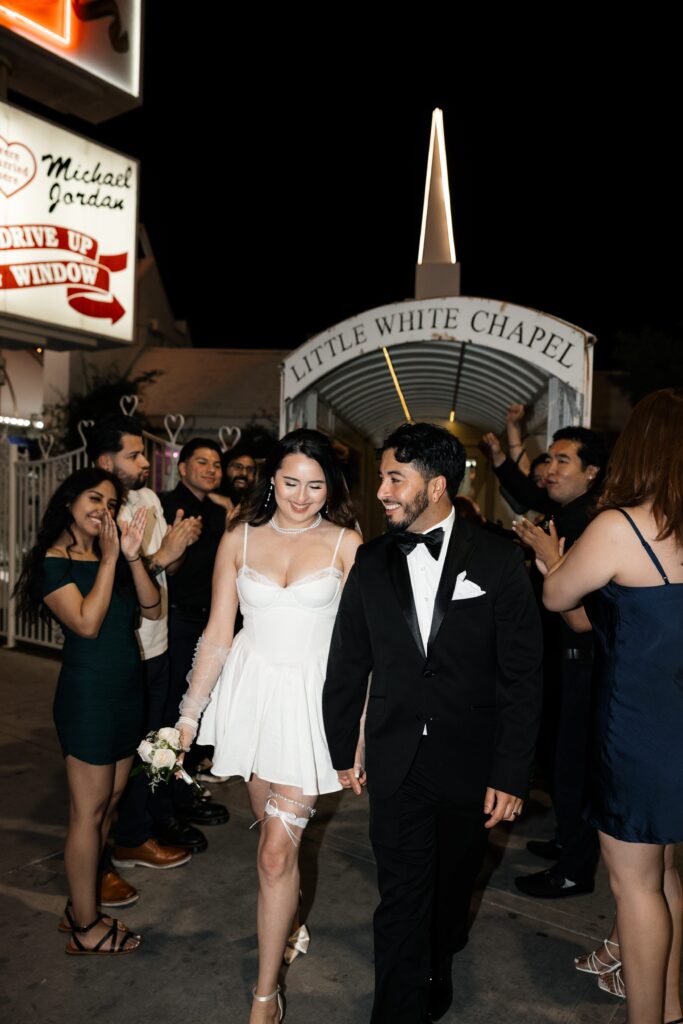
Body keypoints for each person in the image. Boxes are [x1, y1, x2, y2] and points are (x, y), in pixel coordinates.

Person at [322, 422, 543, 1024]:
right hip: (396, 760)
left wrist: (512, 772)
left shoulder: (497, 559)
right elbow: (348, 659)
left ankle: (437, 961)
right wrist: (343, 745)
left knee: (450, 893)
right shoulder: (370, 561)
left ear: (438, 484)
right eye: (383, 477)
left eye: (397, 478)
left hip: (471, 762)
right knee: (400, 899)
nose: (383, 492)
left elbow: (521, 676)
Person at [175, 428, 361, 1023]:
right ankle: (289, 916)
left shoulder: (347, 545)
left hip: (311, 703)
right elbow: (218, 632)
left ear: (329, 486)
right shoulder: (240, 538)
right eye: (289, 482)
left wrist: (357, 735)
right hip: (251, 699)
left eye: (314, 484)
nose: (301, 497)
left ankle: (265, 997)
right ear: (270, 479)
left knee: (278, 854)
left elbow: (364, 651)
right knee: (268, 843)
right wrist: (188, 716)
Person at [541, 389, 683, 1024]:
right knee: (666, 870)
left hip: (642, 726)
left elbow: (556, 595)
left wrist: (554, 558)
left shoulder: (620, 526)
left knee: (635, 882)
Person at [14, 467, 161, 954]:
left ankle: (79, 905)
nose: (105, 509)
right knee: (87, 811)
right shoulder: (52, 563)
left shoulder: (111, 555)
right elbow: (87, 623)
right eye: (94, 498)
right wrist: (110, 561)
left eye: (112, 502)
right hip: (88, 697)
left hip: (125, 691)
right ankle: (85, 928)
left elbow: (153, 608)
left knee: (111, 804)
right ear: (69, 502)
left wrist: (133, 559)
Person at [87, 415, 217, 873]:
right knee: (120, 755)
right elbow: (114, 582)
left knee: (158, 743)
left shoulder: (146, 499)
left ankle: (143, 826)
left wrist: (176, 549)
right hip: (125, 647)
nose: (146, 462)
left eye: (144, 453)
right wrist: (163, 555)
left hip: (159, 642)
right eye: (134, 454)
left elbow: (167, 571)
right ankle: (123, 838)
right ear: (106, 460)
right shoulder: (93, 507)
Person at [498, 425, 609, 898]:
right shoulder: (570, 514)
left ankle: (574, 869)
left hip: (589, 660)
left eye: (564, 460)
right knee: (564, 759)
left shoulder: (592, 521)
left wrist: (547, 556)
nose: (551, 469)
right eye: (551, 459)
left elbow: (581, 606)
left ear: (591, 472)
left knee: (575, 764)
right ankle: (568, 842)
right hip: (567, 659)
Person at [161, 438, 232, 800]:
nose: (211, 469)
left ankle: (183, 794)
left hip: (213, 624)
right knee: (175, 711)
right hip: (179, 623)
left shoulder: (220, 511)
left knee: (201, 713)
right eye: (201, 462)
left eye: (216, 464)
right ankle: (162, 804)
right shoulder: (168, 507)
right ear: (182, 467)